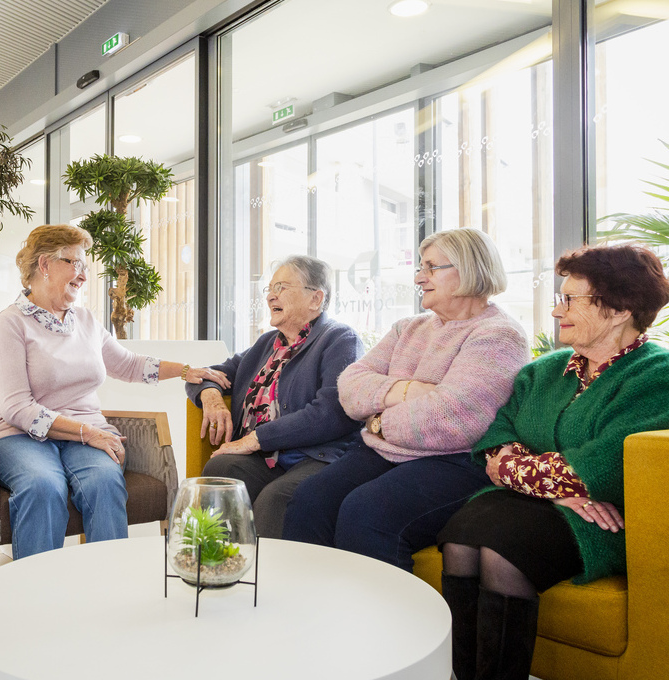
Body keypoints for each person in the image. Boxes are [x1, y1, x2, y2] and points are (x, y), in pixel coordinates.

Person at [437, 243, 669, 680]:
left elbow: (597, 468)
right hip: (554, 505)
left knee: (502, 556)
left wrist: (531, 473)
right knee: (459, 542)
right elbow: (494, 441)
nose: (557, 310)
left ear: (619, 310)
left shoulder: (656, 374)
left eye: (569, 300)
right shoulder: (544, 371)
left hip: (601, 521)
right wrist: (559, 491)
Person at [282, 228, 528, 568]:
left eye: (430, 268)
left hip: (455, 461)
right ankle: (314, 609)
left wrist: (378, 421)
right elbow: (350, 387)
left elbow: (452, 419)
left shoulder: (498, 335)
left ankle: (386, 621)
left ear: (469, 268)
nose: (418, 277)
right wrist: (408, 390)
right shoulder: (407, 328)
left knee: (366, 512)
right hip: (385, 452)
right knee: (310, 499)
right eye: (420, 268)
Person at [0, 224, 229, 560]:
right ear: (44, 264)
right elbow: (16, 407)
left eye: (85, 266)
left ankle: (108, 585)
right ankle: (36, 593)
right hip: (20, 435)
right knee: (43, 486)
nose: (83, 275)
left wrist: (187, 371)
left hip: (86, 433)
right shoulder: (10, 323)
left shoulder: (84, 320)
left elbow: (128, 364)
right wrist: (87, 432)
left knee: (104, 481)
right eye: (75, 263)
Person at [185, 255, 364, 539]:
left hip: (317, 456)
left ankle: (270, 579)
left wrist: (254, 439)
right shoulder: (268, 344)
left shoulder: (340, 339)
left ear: (315, 299)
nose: (270, 296)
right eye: (269, 288)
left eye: (281, 287)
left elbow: (331, 412)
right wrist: (211, 397)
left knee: (276, 498)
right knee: (220, 471)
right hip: (269, 457)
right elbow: (207, 375)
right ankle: (216, 564)